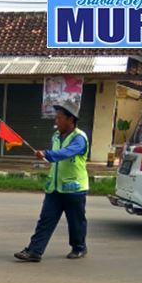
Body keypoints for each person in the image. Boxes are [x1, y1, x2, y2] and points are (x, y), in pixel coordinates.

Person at [14, 101, 89, 262]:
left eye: (60, 118)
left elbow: (66, 153)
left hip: (74, 188)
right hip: (54, 187)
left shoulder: (79, 138)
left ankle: (79, 247)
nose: (56, 121)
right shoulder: (56, 136)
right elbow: (56, 156)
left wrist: (47, 154)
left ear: (71, 120)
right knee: (45, 220)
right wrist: (45, 156)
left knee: (75, 222)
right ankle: (34, 251)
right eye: (56, 118)